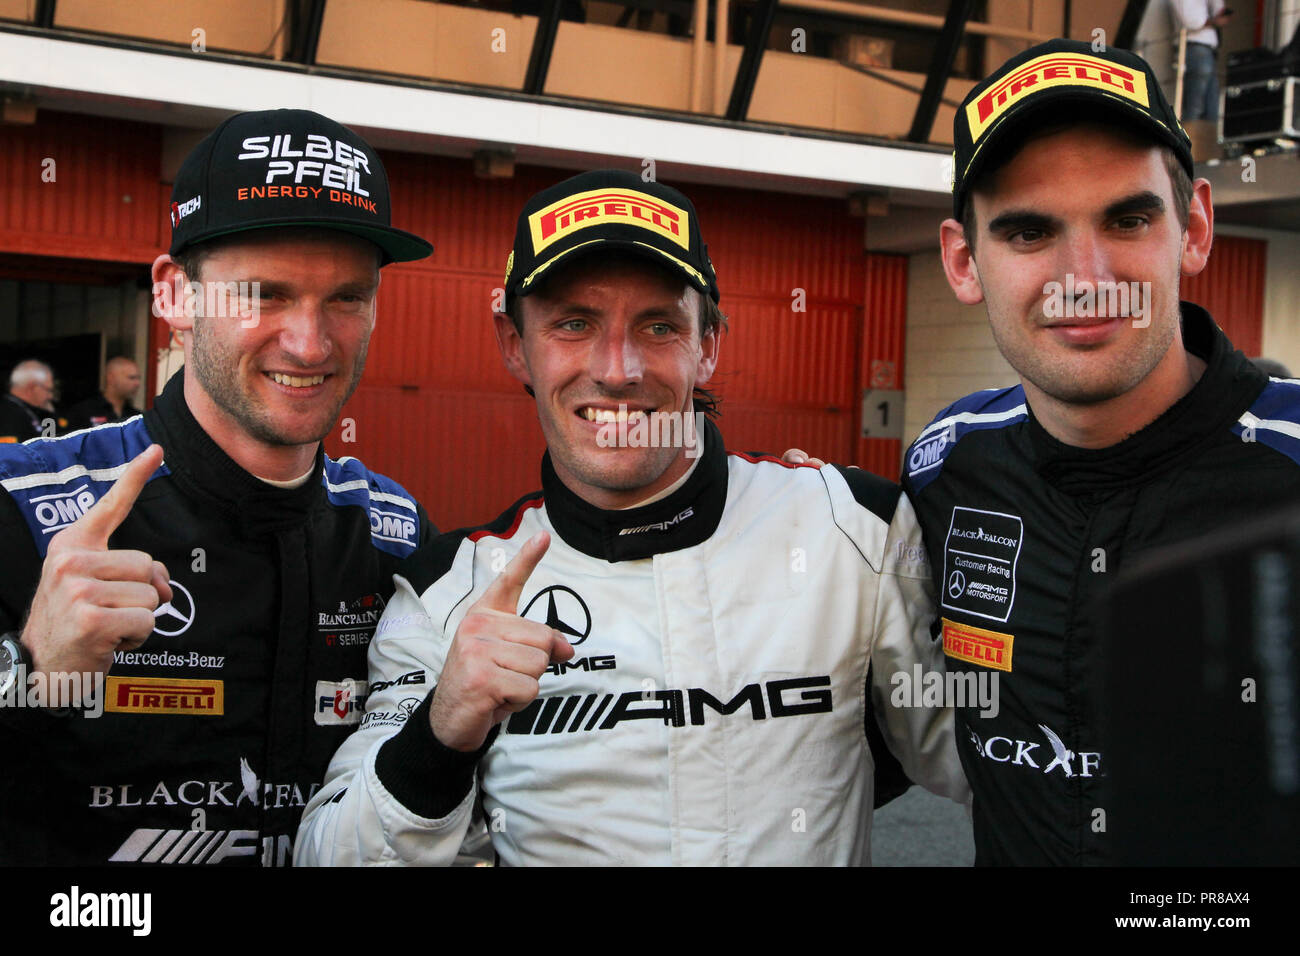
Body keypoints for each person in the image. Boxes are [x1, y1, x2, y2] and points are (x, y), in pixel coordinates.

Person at [295, 170, 967, 866]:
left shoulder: (852, 532)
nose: (617, 370)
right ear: (514, 343)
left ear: (708, 343)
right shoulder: (445, 591)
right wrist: (440, 736)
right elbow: (332, 856)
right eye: (574, 324)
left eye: (658, 325)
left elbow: (1001, 768)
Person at [0, 108, 435, 866]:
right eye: (263, 294)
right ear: (174, 294)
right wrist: (32, 672)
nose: (309, 342)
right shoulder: (24, 503)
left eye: (346, 297)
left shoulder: (393, 530)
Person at [901, 38, 1300, 864]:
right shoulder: (945, 466)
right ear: (962, 261)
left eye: (1127, 218)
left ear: (1192, 228)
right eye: (1028, 231)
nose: (1084, 277)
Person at [1170, 0, 1231, 121]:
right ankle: (1189, 137)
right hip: (1195, 48)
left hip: (1206, 50)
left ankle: (1206, 137)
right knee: (1195, 106)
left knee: (1212, 107)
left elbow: (1217, 7)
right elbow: (1190, 21)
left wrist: (1219, 12)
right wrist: (1215, 21)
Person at [63, 356, 143, 431]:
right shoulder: (83, 412)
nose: (137, 383)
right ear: (111, 378)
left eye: (138, 378)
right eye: (131, 378)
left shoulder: (137, 417)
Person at [0, 359, 61, 442]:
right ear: (33, 388)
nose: (50, 396)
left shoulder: (19, 410)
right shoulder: (9, 416)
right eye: (48, 390)